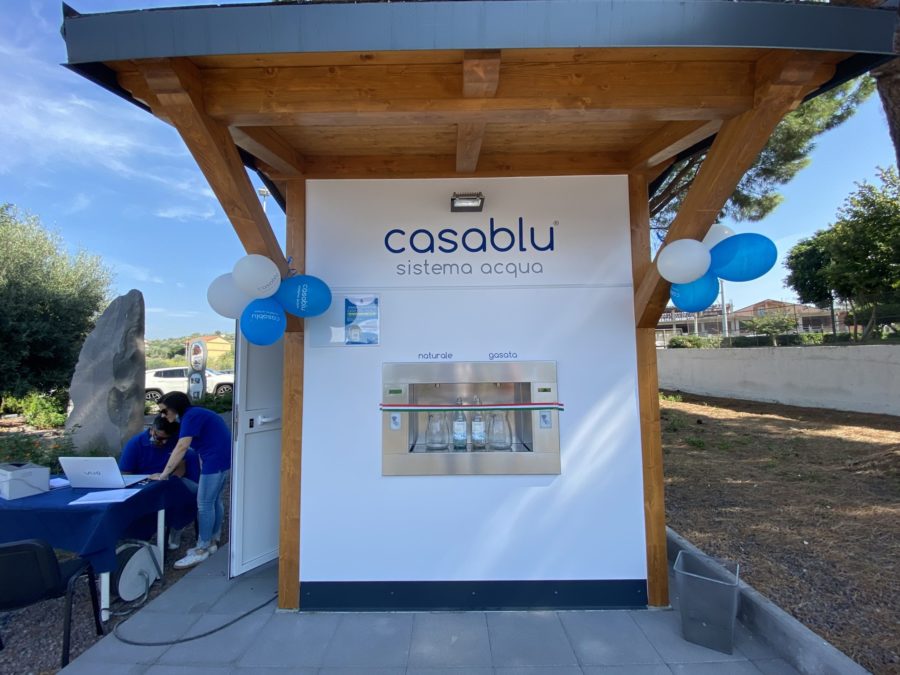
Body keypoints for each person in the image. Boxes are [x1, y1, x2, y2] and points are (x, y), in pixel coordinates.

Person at [151, 392, 231, 569]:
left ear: (175, 408)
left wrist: (164, 474)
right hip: (220, 458)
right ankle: (212, 541)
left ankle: (202, 549)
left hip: (215, 460)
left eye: (164, 411)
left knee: (204, 504)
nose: (162, 415)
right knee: (214, 501)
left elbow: (182, 446)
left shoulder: (190, 417)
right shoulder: (195, 414)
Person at [119, 414, 200, 550]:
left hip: (167, 482)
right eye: (160, 438)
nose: (163, 442)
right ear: (152, 429)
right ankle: (137, 536)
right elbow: (125, 474)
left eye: (167, 439)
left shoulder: (176, 441)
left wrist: (170, 478)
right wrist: (146, 480)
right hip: (143, 484)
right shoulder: (135, 444)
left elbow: (182, 465)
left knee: (183, 492)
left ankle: (176, 527)